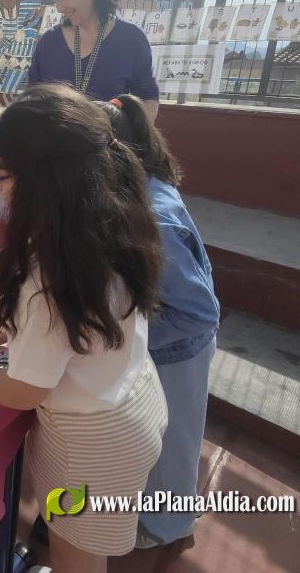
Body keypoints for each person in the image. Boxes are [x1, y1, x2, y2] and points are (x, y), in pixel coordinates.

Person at [0, 84, 168, 573]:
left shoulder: (47, 276)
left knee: (73, 554)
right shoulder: (107, 224)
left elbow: (23, 392)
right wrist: (10, 331)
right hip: (133, 402)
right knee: (78, 543)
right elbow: (83, 324)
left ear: (42, 182)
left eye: (0, 177)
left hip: (89, 445)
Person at [99, 94, 219, 550]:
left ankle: (169, 525)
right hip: (162, 341)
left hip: (177, 349)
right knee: (157, 432)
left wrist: (127, 337)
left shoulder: (155, 220)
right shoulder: (136, 188)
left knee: (174, 440)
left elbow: (198, 312)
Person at [27, 0, 160, 121]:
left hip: (109, 138)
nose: (59, 7)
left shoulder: (131, 39)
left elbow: (147, 100)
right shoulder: (49, 42)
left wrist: (130, 136)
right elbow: (32, 99)